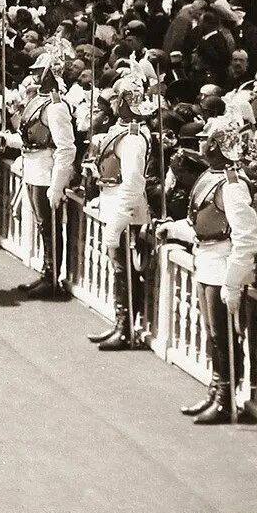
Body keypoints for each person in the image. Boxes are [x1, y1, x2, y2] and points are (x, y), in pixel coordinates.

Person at [158, 117, 257, 423]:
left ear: (215, 145)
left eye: (206, 140)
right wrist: (173, 230)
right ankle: (216, 391)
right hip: (205, 258)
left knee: (222, 335)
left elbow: (245, 237)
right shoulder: (209, 177)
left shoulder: (233, 186)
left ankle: (227, 398)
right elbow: (199, 226)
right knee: (212, 333)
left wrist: (232, 281)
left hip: (222, 264)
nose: (202, 143)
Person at [0, 42, 77, 299]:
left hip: (47, 170)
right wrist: (9, 139)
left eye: (38, 70)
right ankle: (46, 271)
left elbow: (65, 148)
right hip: (33, 166)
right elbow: (32, 138)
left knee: (49, 226)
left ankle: (52, 275)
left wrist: (57, 185)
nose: (32, 74)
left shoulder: (56, 107)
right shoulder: (37, 101)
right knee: (42, 224)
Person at [88, 72, 154, 351]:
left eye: (117, 97)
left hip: (126, 209)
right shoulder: (122, 131)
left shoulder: (133, 138)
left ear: (126, 102)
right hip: (112, 200)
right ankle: (119, 322)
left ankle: (126, 328)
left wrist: (118, 221)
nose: (113, 102)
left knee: (123, 269)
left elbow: (133, 183)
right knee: (118, 268)